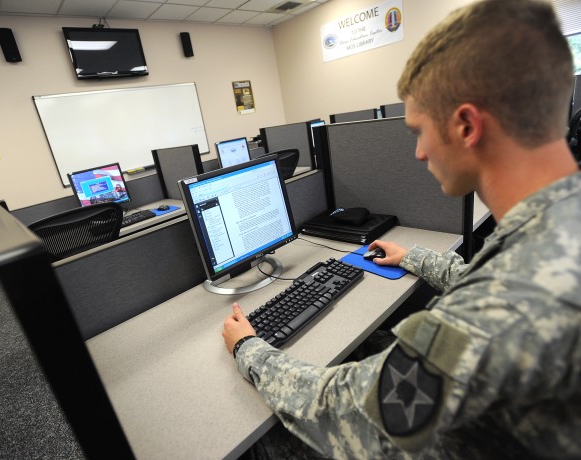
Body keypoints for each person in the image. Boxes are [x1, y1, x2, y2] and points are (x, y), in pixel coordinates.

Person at [221, 0, 581, 457]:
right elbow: (492, 280)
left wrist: (249, 348)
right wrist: (413, 257)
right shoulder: (559, 220)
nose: (418, 154)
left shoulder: (502, 308)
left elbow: (348, 413)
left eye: (418, 132)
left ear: (467, 125)